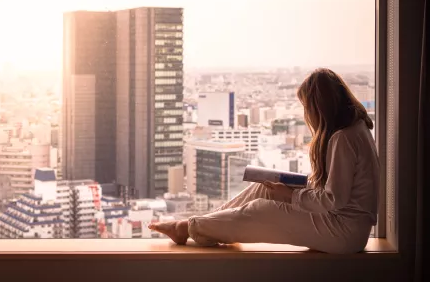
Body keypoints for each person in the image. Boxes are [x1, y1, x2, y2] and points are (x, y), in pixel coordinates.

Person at [149, 68, 379, 254]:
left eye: (307, 108)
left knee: (262, 209)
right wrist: (289, 187)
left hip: (343, 232)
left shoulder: (343, 137)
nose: (307, 116)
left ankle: (186, 227)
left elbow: (333, 200)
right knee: (264, 188)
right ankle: (196, 224)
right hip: (343, 226)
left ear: (320, 107)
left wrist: (289, 194)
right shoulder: (354, 129)